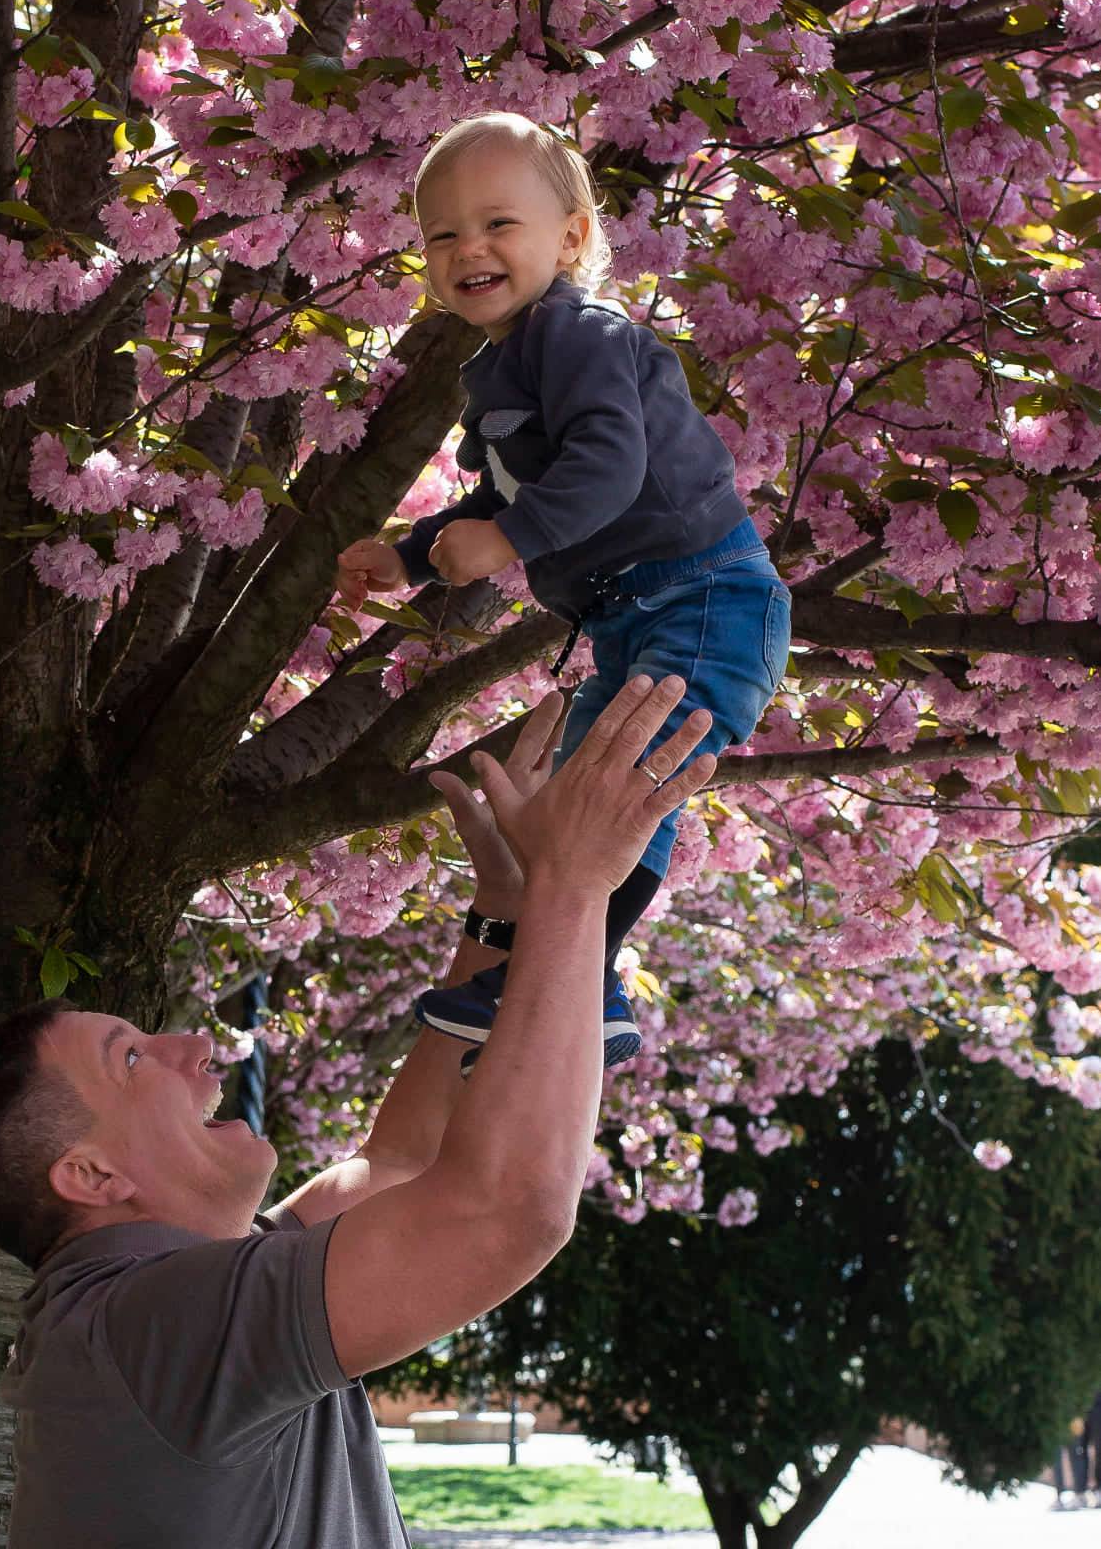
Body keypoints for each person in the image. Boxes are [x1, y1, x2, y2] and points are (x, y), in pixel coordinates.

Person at [0, 674, 714, 1549]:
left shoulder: (168, 1303)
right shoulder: (148, 1332)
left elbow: (400, 1167)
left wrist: (504, 916)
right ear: (89, 1174)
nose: (194, 1047)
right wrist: (571, 888)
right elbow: (506, 1212)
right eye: (131, 1056)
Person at [336, 110, 791, 1068]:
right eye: (442, 235)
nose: (470, 249)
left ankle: (578, 968)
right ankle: (588, 978)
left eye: (499, 224)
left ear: (574, 237)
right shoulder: (503, 360)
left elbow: (608, 465)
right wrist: (416, 556)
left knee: (609, 791)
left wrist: (505, 540)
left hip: (705, 597)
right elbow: (514, 489)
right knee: (604, 790)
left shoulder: (578, 331)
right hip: (646, 609)